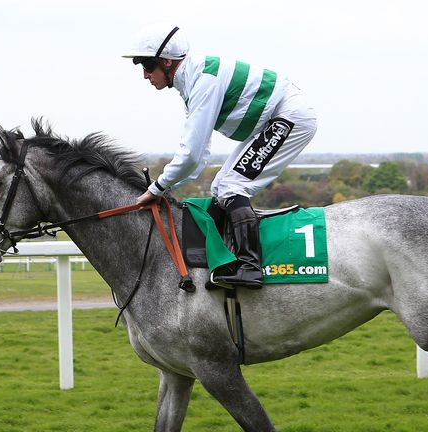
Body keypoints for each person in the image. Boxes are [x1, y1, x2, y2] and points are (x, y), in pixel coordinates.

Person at [123, 23, 318, 289]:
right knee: (219, 186)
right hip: (273, 118)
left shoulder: (203, 82)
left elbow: (191, 152)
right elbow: (198, 155)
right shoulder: (192, 79)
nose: (145, 75)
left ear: (167, 62)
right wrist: (167, 187)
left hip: (288, 116)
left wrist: (159, 187)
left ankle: (249, 267)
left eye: (147, 66)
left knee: (231, 186)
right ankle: (220, 261)